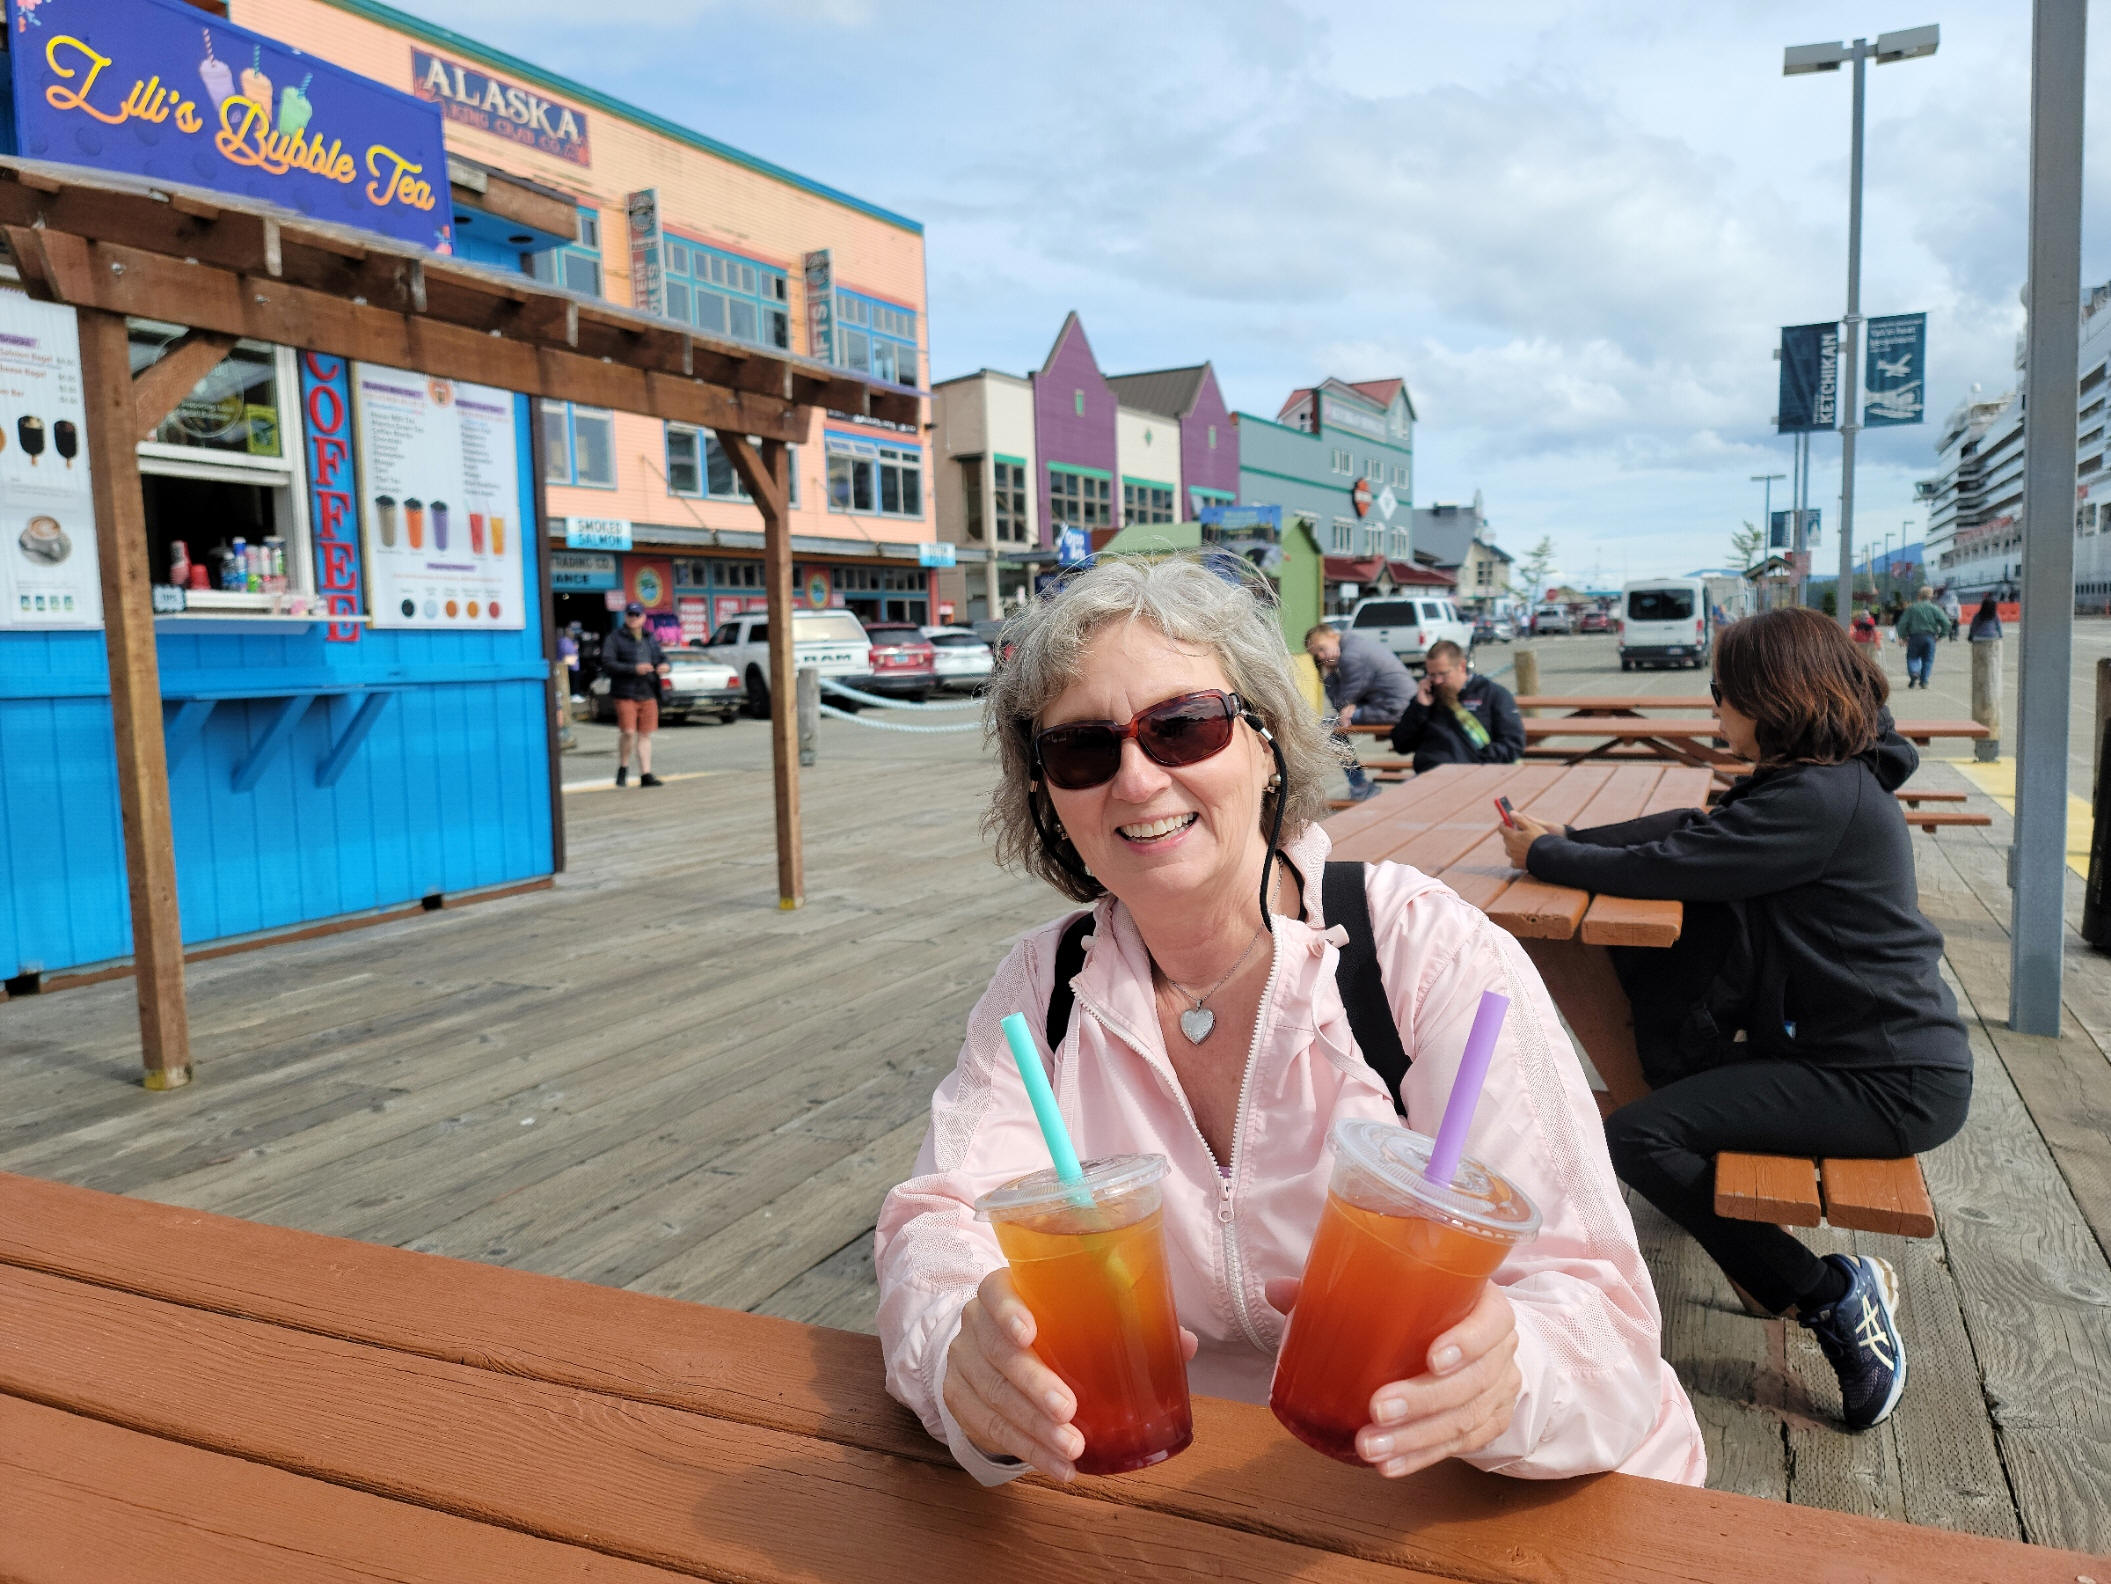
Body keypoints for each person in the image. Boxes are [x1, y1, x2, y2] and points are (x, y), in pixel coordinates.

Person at [875, 553, 1704, 1490]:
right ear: (1045, 793)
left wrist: (1510, 1374)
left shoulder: (1419, 953)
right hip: (1202, 1498)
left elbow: (1601, 1315)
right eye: (1082, 749)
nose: (1136, 781)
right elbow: (936, 1221)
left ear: (1266, 743)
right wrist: (963, 1352)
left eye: (1183, 727)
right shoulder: (1044, 987)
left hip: (1504, 1498)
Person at [1496, 606, 1970, 1432]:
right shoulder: (1827, 784)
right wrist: (1570, 838)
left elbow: (1682, 861)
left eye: (1722, 690)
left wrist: (1547, 855)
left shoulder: (1816, 800)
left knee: (1638, 1135)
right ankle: (1779, 1268)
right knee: (1667, 1093)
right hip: (1845, 1054)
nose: (1714, 706)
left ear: (1771, 696)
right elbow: (1696, 834)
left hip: (1887, 1081)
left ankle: (1830, 1295)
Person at [1304, 623, 1416, 801]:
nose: (1321, 656)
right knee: (1332, 724)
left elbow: (1341, 703)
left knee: (1329, 727)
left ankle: (1360, 786)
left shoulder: (1351, 656)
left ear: (1332, 635)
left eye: (1322, 649)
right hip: (1395, 706)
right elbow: (1347, 702)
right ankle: (1360, 785)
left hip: (1394, 709)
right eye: (1317, 655)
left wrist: (1331, 674)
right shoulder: (1355, 645)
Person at [1387, 640, 1525, 774]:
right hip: (1429, 774)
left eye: (1443, 674)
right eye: (1432, 675)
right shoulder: (1426, 696)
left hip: (1476, 773)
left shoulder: (1493, 694)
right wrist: (1420, 708)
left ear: (1462, 666)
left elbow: (1513, 744)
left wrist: (1476, 761)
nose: (1437, 681)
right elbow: (1401, 745)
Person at [601, 602, 669, 788]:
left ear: (643, 618)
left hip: (648, 690)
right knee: (628, 731)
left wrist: (665, 666)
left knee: (645, 734)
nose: (633, 618)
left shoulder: (650, 638)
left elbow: (661, 658)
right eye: (630, 614)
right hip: (625, 692)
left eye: (637, 615)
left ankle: (646, 774)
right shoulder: (615, 638)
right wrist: (633, 669)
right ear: (625, 616)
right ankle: (623, 767)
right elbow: (607, 663)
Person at [1893, 585, 1948, 690]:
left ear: (1919, 595)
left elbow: (1902, 624)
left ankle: (1914, 672)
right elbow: (1946, 623)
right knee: (1928, 659)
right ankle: (1924, 681)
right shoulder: (1935, 608)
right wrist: (1941, 635)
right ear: (1931, 596)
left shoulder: (1912, 608)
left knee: (1912, 657)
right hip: (1930, 637)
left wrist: (1903, 636)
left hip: (1914, 637)